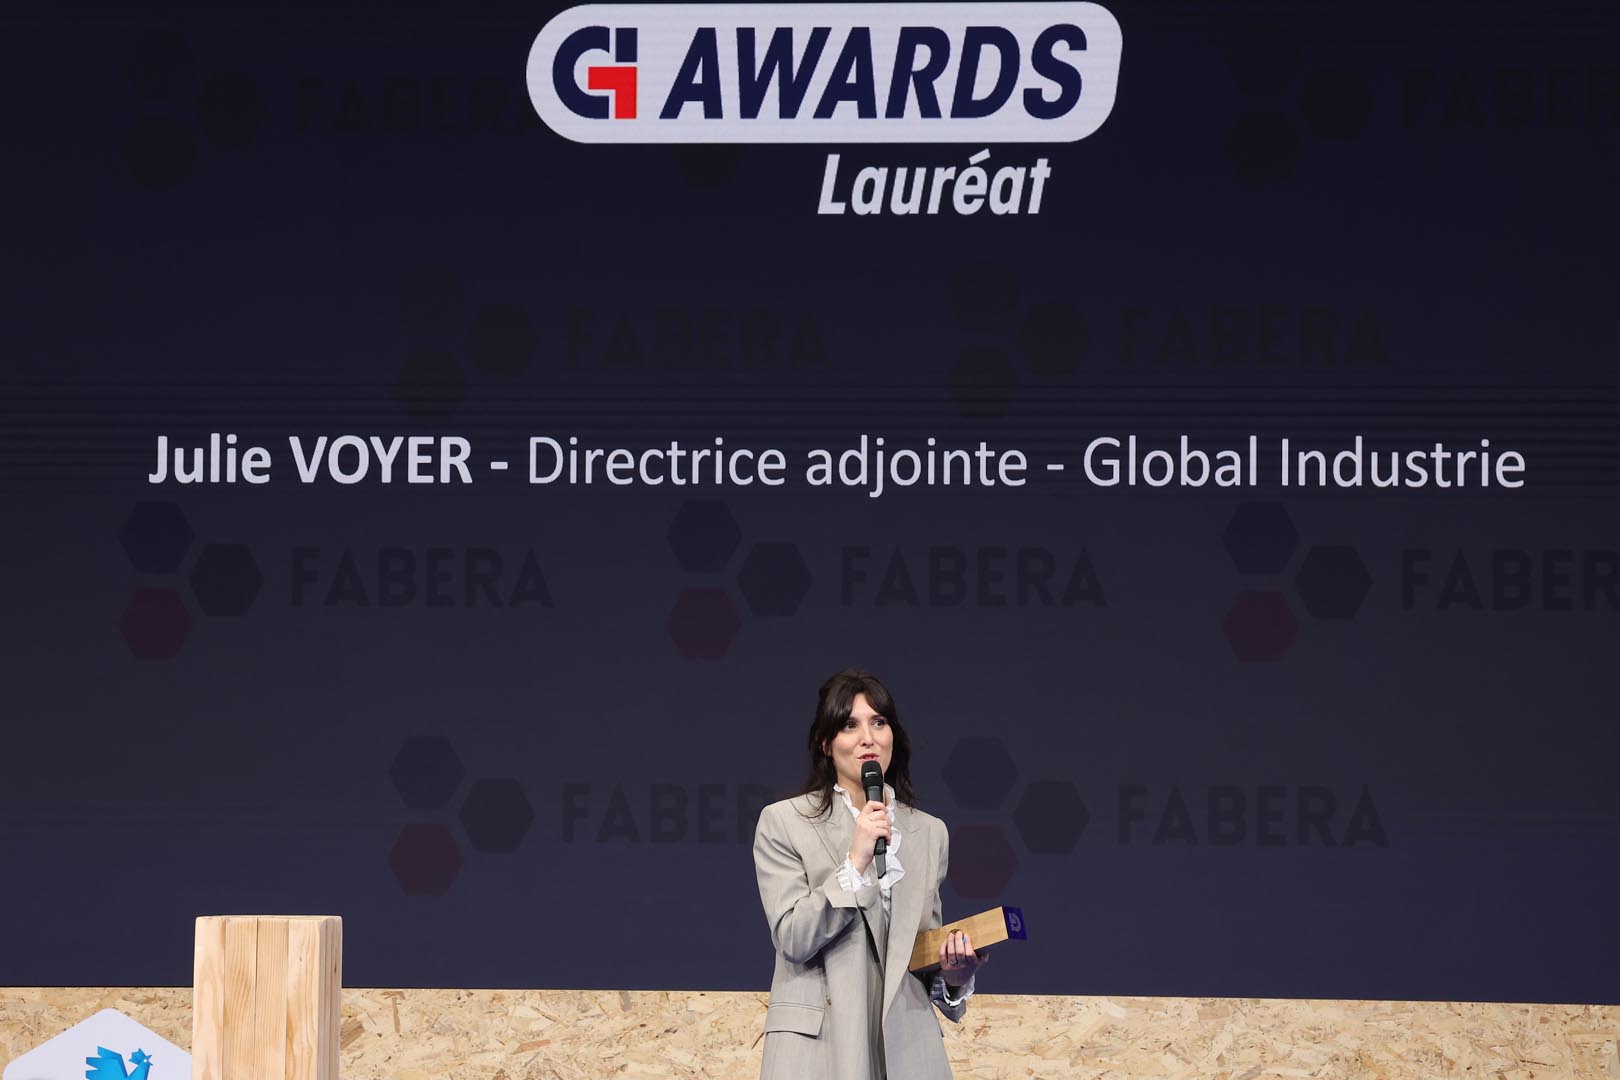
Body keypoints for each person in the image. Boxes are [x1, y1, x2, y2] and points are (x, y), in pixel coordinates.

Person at [753, 669, 985, 1080]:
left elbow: (917, 955)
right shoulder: (784, 822)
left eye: (879, 723)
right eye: (849, 725)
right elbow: (792, 937)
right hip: (821, 1051)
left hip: (904, 1049)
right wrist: (854, 863)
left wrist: (953, 977)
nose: (868, 738)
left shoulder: (929, 833)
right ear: (826, 743)